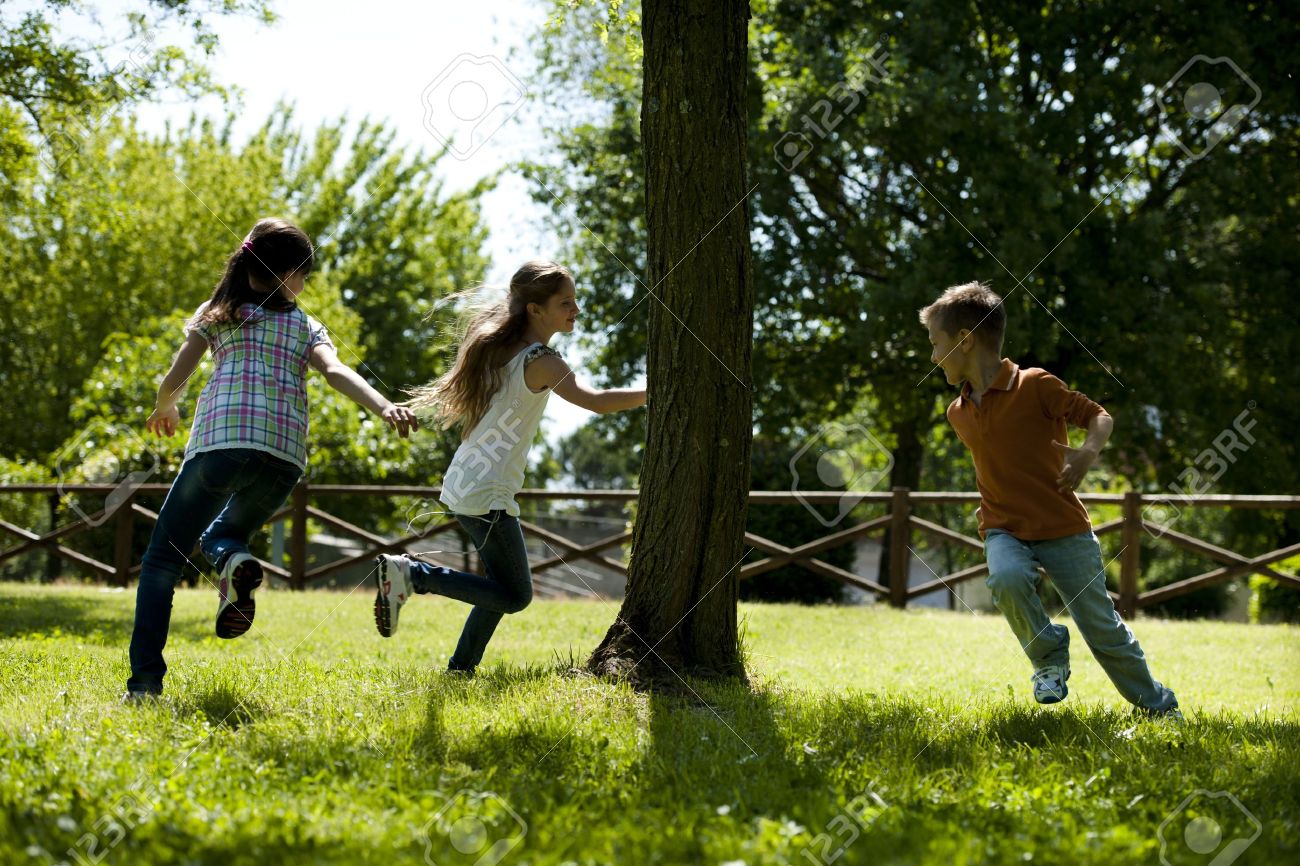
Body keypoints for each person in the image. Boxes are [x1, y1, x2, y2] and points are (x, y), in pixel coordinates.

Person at [125, 217, 417, 699]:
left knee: (161, 560)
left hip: (222, 445)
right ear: (284, 274)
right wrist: (383, 405)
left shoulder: (217, 313)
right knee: (224, 534)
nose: (304, 283)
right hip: (283, 458)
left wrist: (165, 406)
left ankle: (144, 685)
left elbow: (178, 374)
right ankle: (234, 561)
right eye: (303, 273)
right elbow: (335, 371)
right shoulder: (305, 324)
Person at [920, 281, 1179, 716]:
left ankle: (1159, 707)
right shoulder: (958, 413)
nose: (932, 357)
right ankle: (1049, 657)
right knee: (1004, 579)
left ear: (964, 340)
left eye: (936, 344)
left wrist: (1087, 453)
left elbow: (1099, 416)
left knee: (1103, 630)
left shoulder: (1035, 385)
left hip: (1063, 529)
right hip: (1003, 528)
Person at [373, 260, 645, 675]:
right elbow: (596, 401)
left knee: (495, 586)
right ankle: (413, 575)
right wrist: (655, 388)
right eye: (566, 302)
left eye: (575, 301)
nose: (576, 310)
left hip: (466, 480)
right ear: (535, 309)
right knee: (515, 595)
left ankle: (461, 668)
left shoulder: (502, 349)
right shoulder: (541, 360)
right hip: (488, 490)